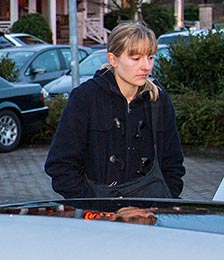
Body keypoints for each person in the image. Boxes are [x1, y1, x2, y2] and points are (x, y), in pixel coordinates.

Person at [45, 21, 184, 198]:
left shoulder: (158, 99)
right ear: (113, 59)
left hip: (151, 214)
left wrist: (164, 200)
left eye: (150, 57)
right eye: (136, 58)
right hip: (100, 217)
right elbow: (60, 165)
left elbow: (174, 163)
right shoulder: (86, 98)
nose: (146, 66)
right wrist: (94, 207)